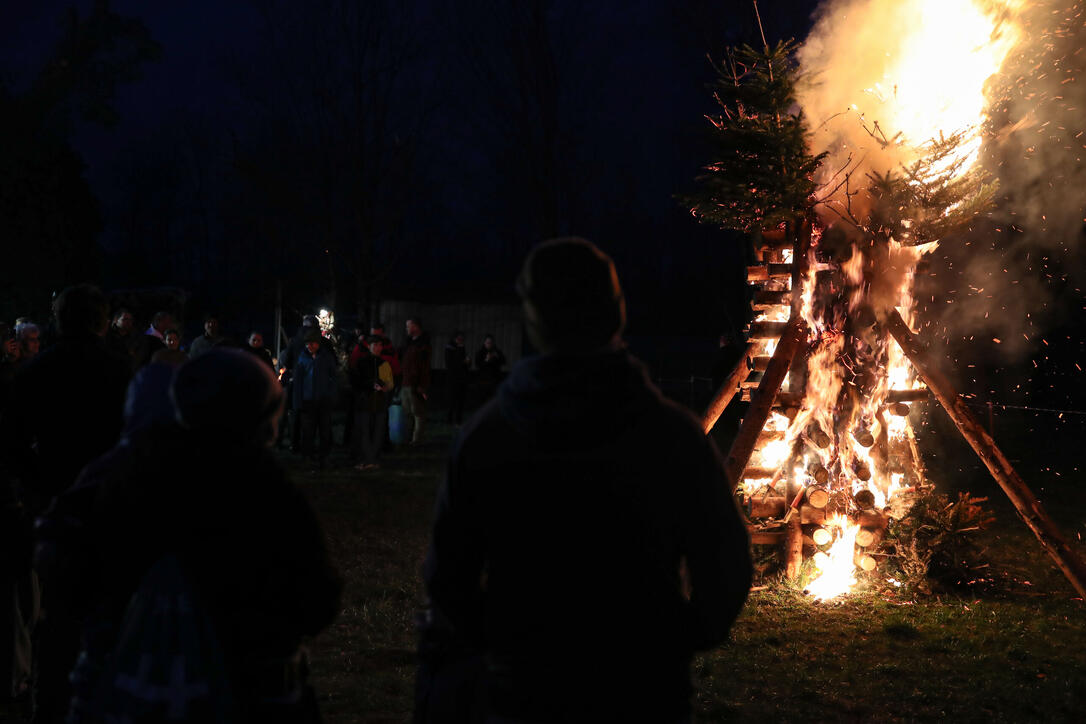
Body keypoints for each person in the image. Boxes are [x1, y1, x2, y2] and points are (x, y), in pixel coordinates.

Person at [419, 238, 752, 723]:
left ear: (532, 318)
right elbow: (725, 567)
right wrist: (674, 637)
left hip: (524, 694)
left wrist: (505, 641)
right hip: (642, 693)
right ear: (616, 313)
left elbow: (448, 578)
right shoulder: (671, 437)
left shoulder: (487, 438)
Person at [69, 349, 342, 722]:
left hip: (132, 693)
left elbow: (81, 578)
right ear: (260, 414)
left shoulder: (131, 476)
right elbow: (317, 601)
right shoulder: (265, 492)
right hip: (252, 694)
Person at [0, 284, 131, 723]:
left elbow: (12, 444)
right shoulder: (121, 372)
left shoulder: (38, 373)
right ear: (100, 321)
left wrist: (36, 487)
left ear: (60, 320)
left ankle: (55, 705)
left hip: (56, 503)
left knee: (57, 616)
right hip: (110, 507)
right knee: (108, 611)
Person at [293, 330, 338, 469]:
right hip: (308, 401)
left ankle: (324, 457)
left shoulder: (326, 358)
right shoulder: (302, 358)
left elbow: (333, 378)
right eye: (307, 343)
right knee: (308, 431)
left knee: (324, 431)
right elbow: (298, 382)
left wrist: (332, 395)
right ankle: (308, 457)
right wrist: (298, 402)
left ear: (318, 344)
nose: (309, 346)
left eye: (312, 343)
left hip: (323, 400)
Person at [349, 335, 394, 470]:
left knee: (377, 431)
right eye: (375, 345)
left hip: (379, 402)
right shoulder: (361, 363)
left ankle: (373, 459)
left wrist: (384, 387)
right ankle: (364, 458)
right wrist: (369, 386)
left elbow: (390, 383)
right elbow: (356, 382)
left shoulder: (384, 364)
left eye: (380, 345)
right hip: (365, 402)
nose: (378, 348)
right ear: (369, 346)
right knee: (365, 431)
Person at [400, 317, 431, 446]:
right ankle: (408, 437)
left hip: (415, 384)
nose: (407, 328)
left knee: (418, 412)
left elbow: (424, 367)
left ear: (416, 327)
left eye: (409, 326)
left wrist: (421, 385)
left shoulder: (423, 345)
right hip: (405, 382)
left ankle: (417, 440)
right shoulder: (408, 343)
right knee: (407, 412)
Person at [444, 331, 470, 425]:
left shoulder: (461, 347)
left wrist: (467, 362)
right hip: (452, 378)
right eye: (459, 339)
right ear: (455, 339)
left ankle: (458, 419)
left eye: (462, 339)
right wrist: (462, 361)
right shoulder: (450, 348)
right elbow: (452, 363)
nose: (461, 341)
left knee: (460, 400)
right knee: (451, 400)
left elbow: (464, 361)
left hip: (462, 378)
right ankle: (449, 419)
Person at [473, 334, 506, 402]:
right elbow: (478, 365)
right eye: (488, 343)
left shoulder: (497, 351)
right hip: (483, 381)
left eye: (491, 343)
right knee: (483, 401)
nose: (489, 344)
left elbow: (504, 362)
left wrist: (497, 356)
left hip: (495, 380)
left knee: (494, 400)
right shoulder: (480, 352)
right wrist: (486, 360)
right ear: (484, 343)